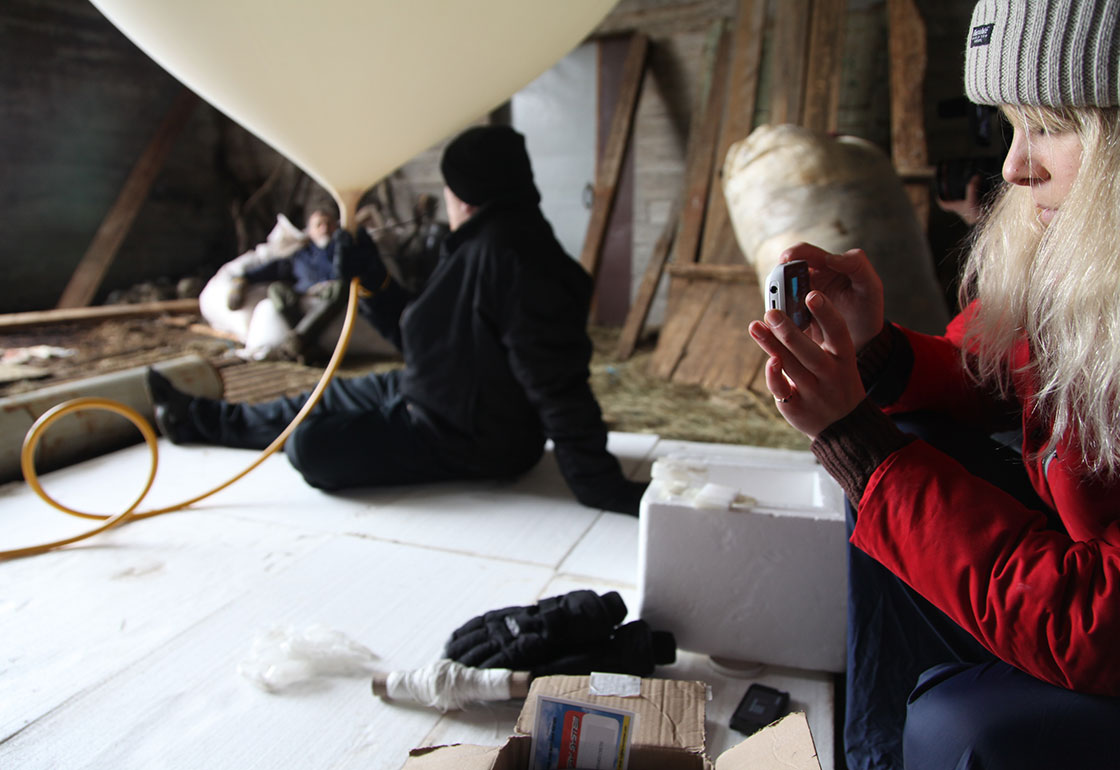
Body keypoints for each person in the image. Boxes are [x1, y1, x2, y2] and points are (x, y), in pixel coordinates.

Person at [747, 1, 1120, 768]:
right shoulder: (1087, 276)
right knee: (909, 449)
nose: (1015, 167)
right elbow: (1001, 369)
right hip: (1084, 583)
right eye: (1011, 127)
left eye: (1049, 124)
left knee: (963, 726)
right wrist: (878, 353)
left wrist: (857, 441)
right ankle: (876, 754)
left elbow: (1095, 623)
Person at [147, 124, 646, 516]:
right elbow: (424, 336)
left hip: (467, 438)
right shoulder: (486, 244)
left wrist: (596, 482)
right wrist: (372, 276)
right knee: (312, 401)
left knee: (311, 445)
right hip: (430, 393)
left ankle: (211, 422)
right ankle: (198, 420)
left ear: (462, 195)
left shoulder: (518, 260)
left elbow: (557, 380)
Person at [226, 207, 347, 362]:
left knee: (340, 288)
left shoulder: (344, 250)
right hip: (303, 295)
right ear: (309, 231)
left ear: (336, 227)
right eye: (319, 225)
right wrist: (240, 284)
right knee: (276, 289)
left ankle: (298, 341)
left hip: (330, 296)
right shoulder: (300, 256)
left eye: (329, 224)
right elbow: (265, 271)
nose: (324, 228)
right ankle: (305, 344)